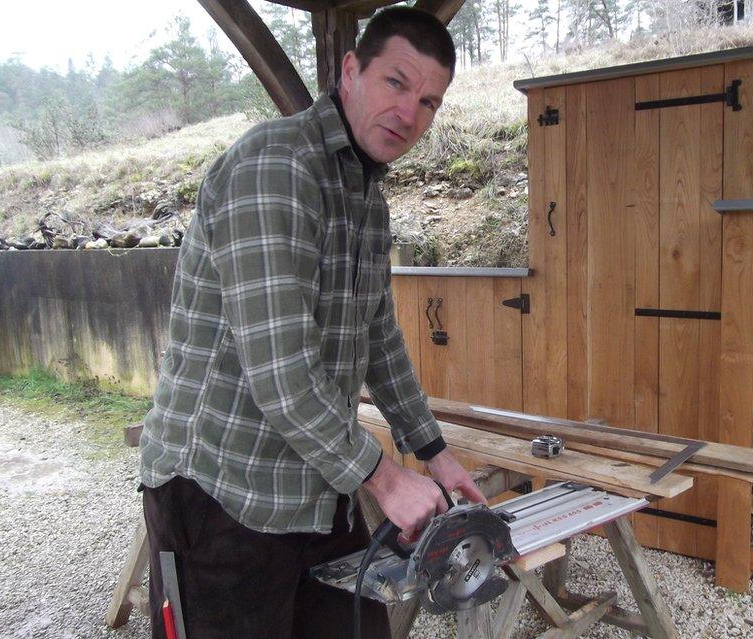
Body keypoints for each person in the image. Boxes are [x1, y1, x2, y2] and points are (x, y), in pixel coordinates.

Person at [138, 8, 484, 638]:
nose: (411, 114)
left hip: (317, 484)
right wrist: (385, 479)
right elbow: (282, 374)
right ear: (351, 71)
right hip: (223, 493)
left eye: (430, 101)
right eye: (396, 84)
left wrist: (433, 451)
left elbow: (379, 338)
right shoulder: (276, 168)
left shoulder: (367, 202)